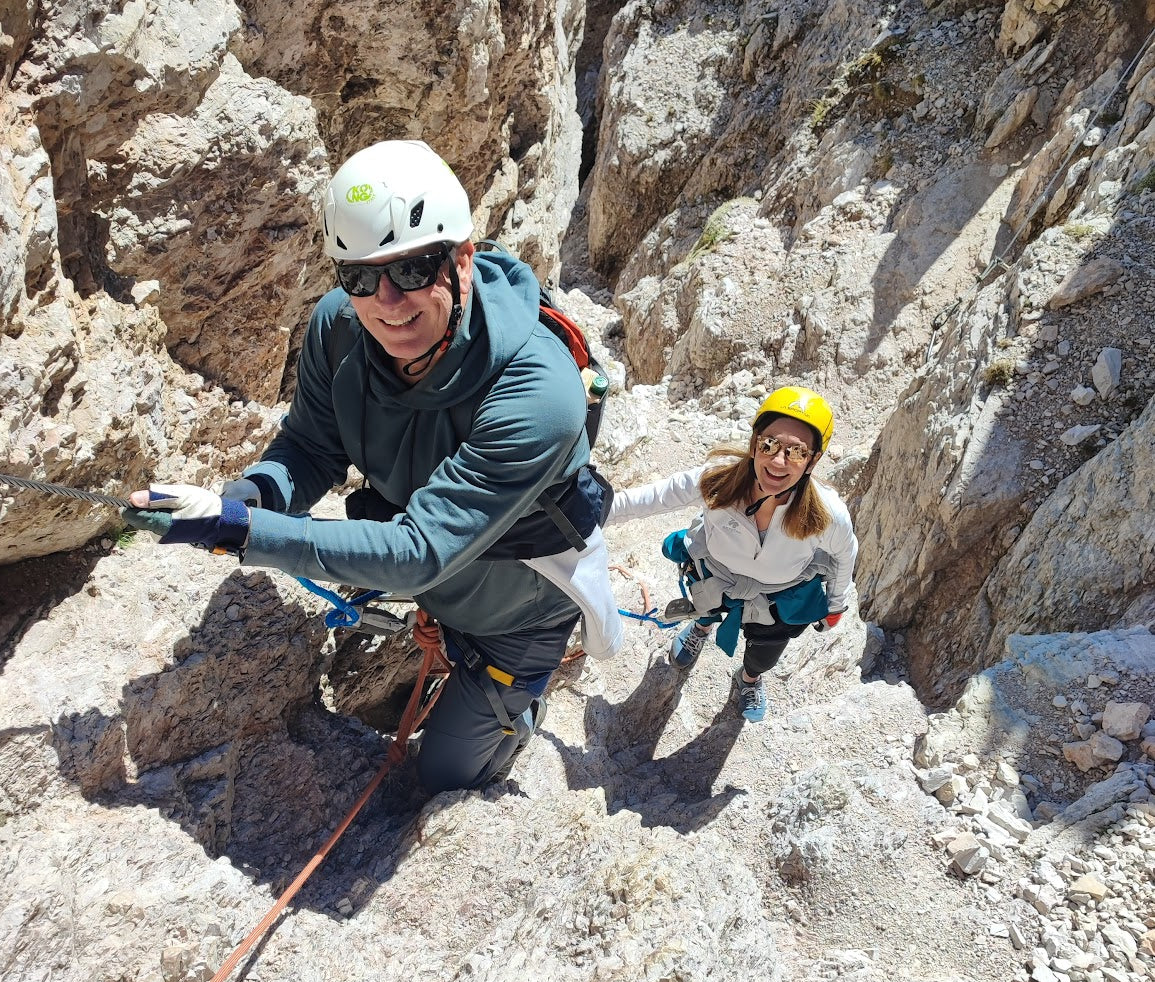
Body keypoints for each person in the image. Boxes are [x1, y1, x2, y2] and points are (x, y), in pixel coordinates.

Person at [124, 139, 619, 793]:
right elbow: (310, 447)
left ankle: (520, 701)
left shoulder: (537, 391)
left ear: (462, 261)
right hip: (436, 575)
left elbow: (417, 550)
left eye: (412, 269)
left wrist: (236, 533)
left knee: (443, 775)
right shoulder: (338, 329)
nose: (386, 299)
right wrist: (251, 498)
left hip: (515, 615)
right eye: (360, 277)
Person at [606, 386, 857, 723]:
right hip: (717, 575)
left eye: (796, 452)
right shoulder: (718, 481)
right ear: (754, 442)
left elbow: (845, 551)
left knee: (764, 654)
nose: (778, 461)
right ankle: (701, 629)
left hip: (778, 596)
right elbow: (652, 498)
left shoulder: (827, 514)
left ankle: (749, 678)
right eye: (769, 444)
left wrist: (836, 603)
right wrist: (593, 511)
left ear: (812, 460)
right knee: (706, 607)